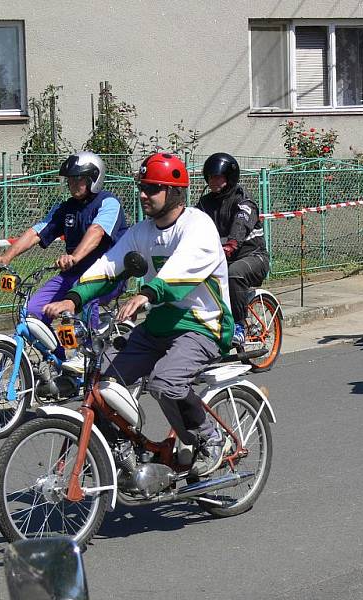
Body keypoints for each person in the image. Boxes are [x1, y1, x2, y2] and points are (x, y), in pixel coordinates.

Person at [43, 153, 234, 477]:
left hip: (202, 323)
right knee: (103, 384)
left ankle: (210, 438)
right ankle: (121, 448)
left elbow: (180, 270)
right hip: (159, 323)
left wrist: (146, 293)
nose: (144, 194)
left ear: (176, 192)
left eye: (153, 188)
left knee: (165, 382)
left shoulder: (198, 226)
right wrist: (74, 299)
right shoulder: (141, 232)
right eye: (142, 187)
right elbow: (109, 265)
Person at [0, 151, 129, 372]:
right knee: (32, 312)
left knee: (86, 298)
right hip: (73, 275)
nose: (73, 183)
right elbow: (37, 231)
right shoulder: (65, 208)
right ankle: (60, 360)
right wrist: (5, 257)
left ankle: (86, 353)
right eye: (70, 179)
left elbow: (97, 232)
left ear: (94, 178)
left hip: (107, 276)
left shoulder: (108, 203)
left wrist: (74, 257)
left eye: (79, 178)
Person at [196, 153, 270, 345]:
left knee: (233, 274)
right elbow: (191, 225)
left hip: (253, 257)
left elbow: (240, 225)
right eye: (210, 177)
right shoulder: (205, 204)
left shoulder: (244, 202)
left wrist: (231, 244)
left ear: (229, 178)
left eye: (218, 177)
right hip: (221, 259)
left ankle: (239, 326)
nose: (213, 181)